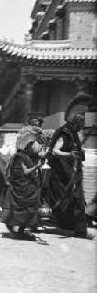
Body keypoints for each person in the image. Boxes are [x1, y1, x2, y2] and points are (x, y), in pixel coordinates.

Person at [46, 94, 95, 239]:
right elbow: (55, 151)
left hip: (73, 174)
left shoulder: (73, 132)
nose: (82, 128)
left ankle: (71, 226)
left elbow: (76, 150)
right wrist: (71, 155)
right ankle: (80, 231)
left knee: (75, 200)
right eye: (81, 125)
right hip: (64, 174)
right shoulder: (65, 132)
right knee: (75, 200)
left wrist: (81, 152)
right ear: (77, 123)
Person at [0, 126, 44, 240]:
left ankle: (21, 229)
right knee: (25, 208)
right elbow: (25, 172)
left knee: (29, 207)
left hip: (26, 188)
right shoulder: (19, 157)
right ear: (27, 146)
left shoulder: (26, 156)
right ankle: (17, 229)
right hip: (21, 189)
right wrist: (37, 166)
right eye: (31, 145)